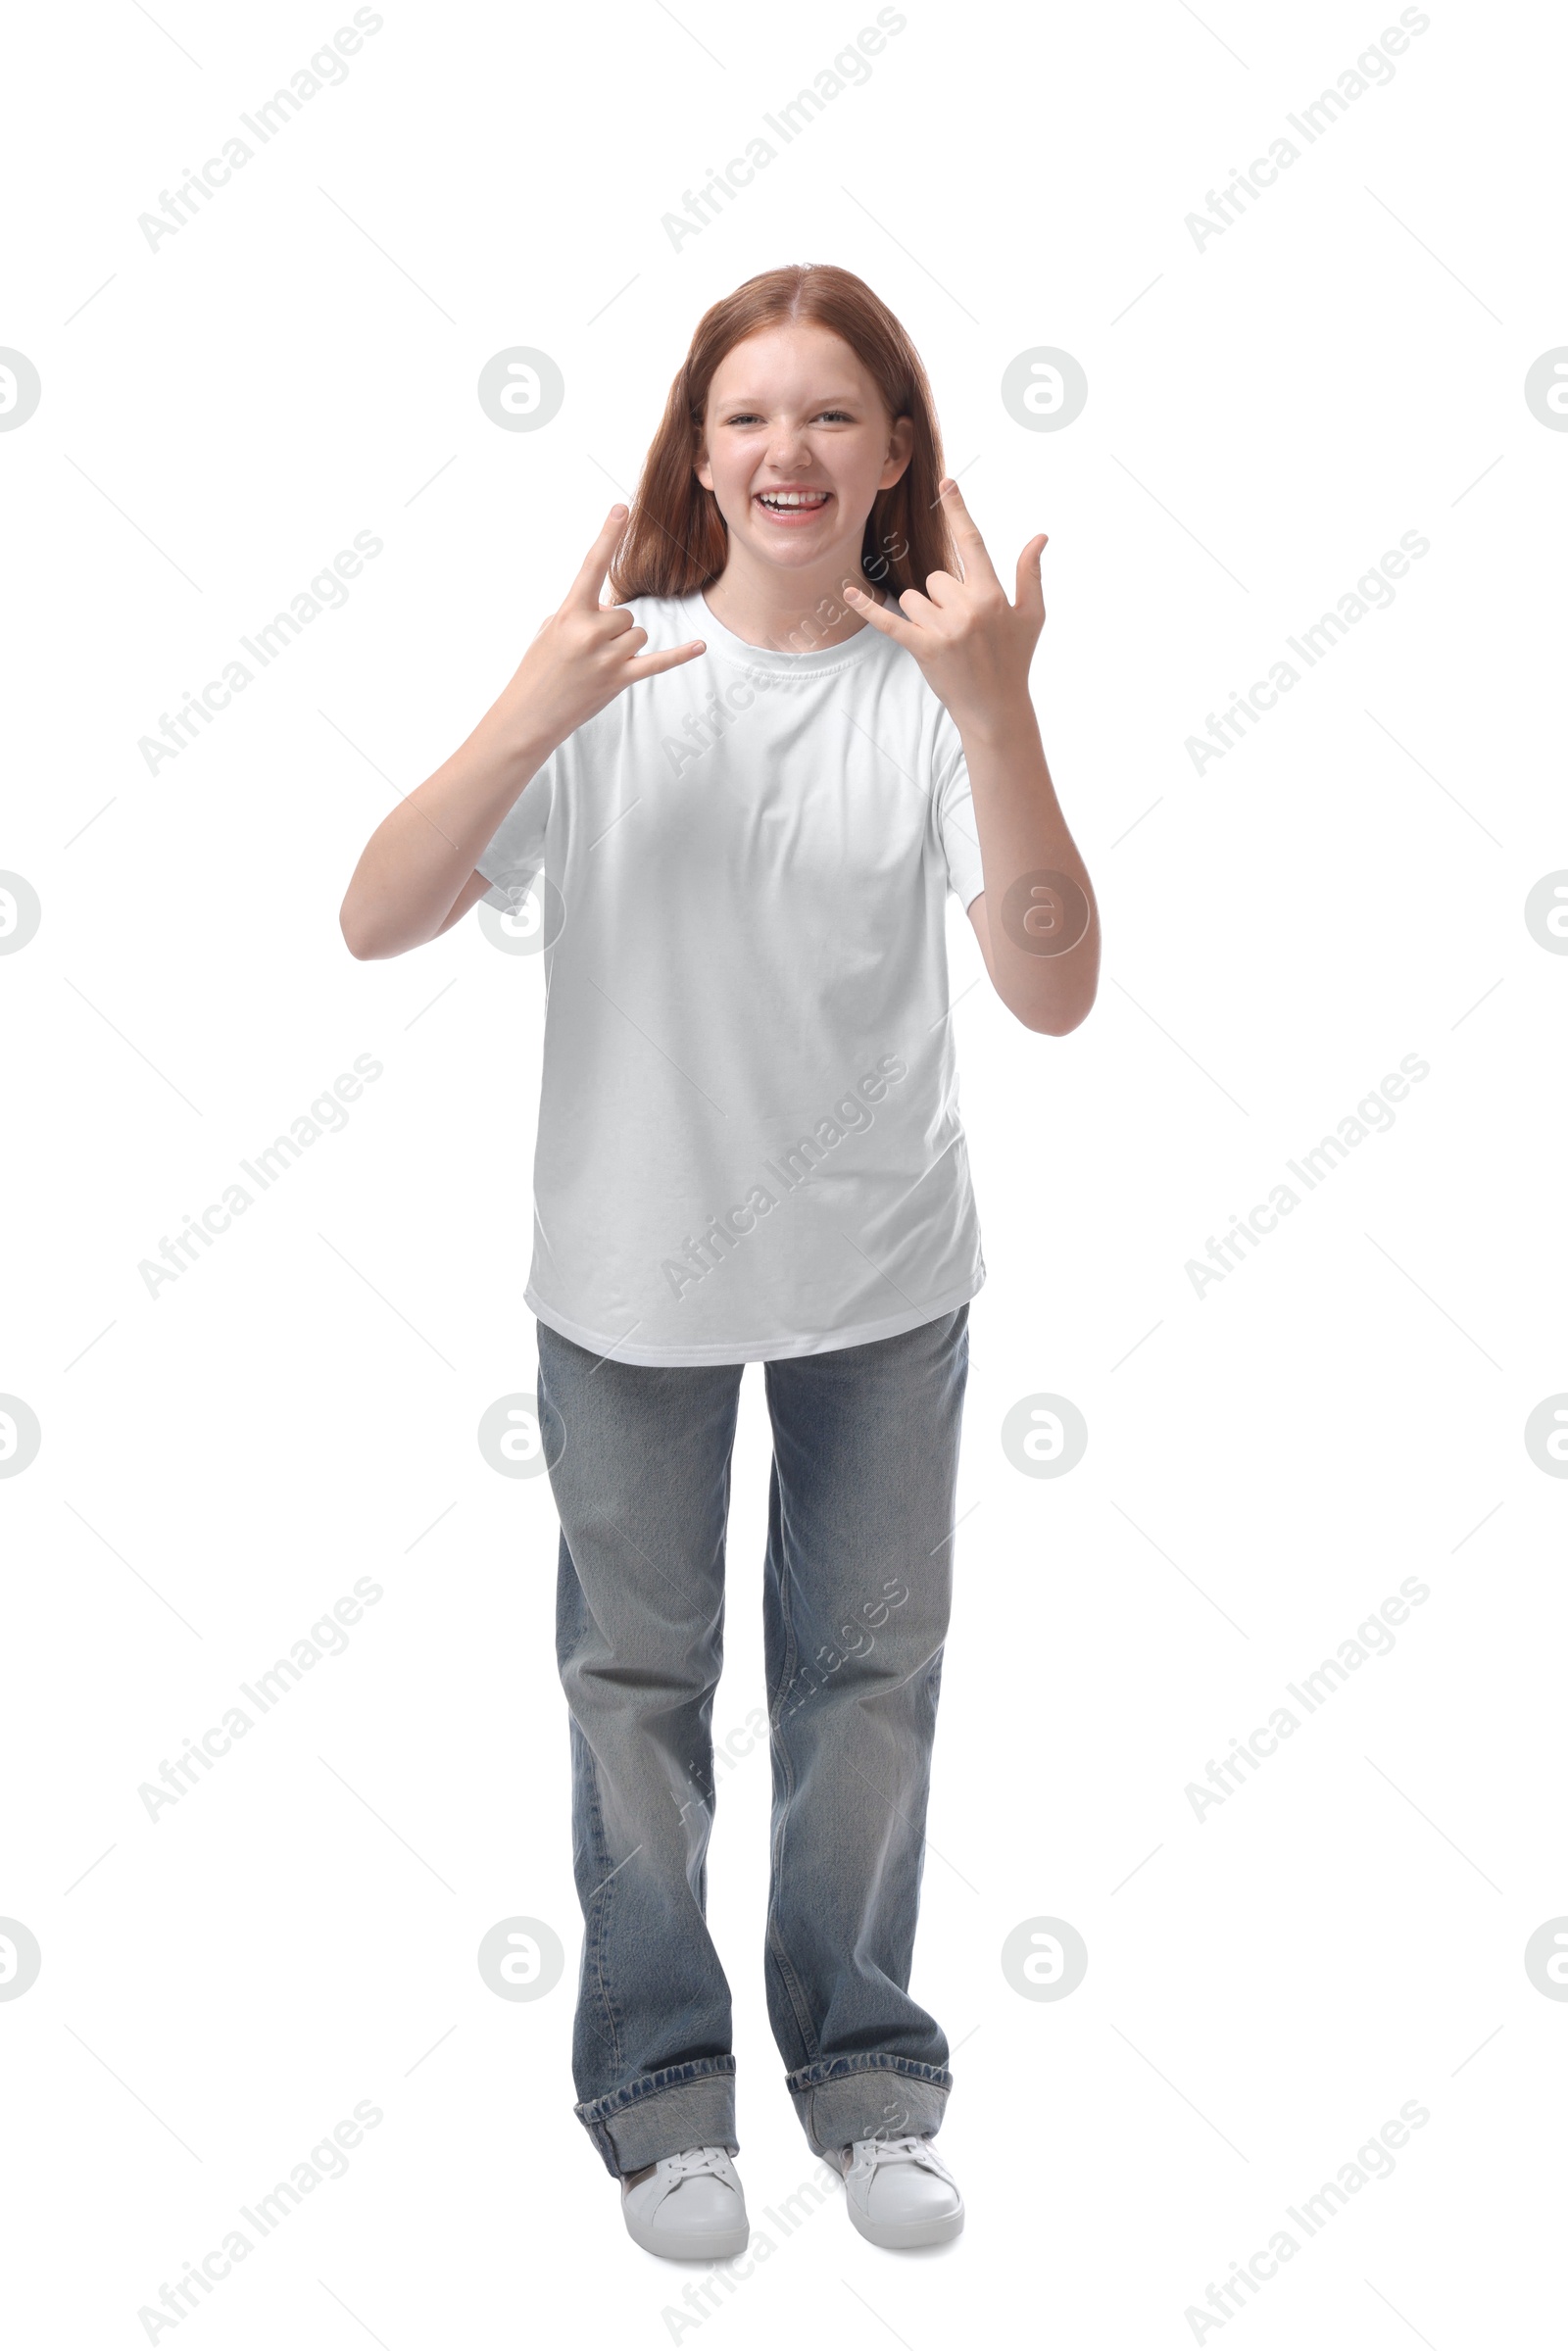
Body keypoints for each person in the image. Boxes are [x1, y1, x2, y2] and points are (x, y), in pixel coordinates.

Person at [339, 263, 1099, 2258]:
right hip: (629, 1288)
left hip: (881, 1282)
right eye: (750, 414)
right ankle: (662, 2097)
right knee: (635, 1685)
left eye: (832, 415)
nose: (789, 449)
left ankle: (863, 2081)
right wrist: (528, 705)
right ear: (698, 449)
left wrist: (997, 709)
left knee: (865, 1683)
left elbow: (1051, 988)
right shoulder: (617, 674)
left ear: (893, 453)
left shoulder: (934, 696)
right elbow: (374, 915)